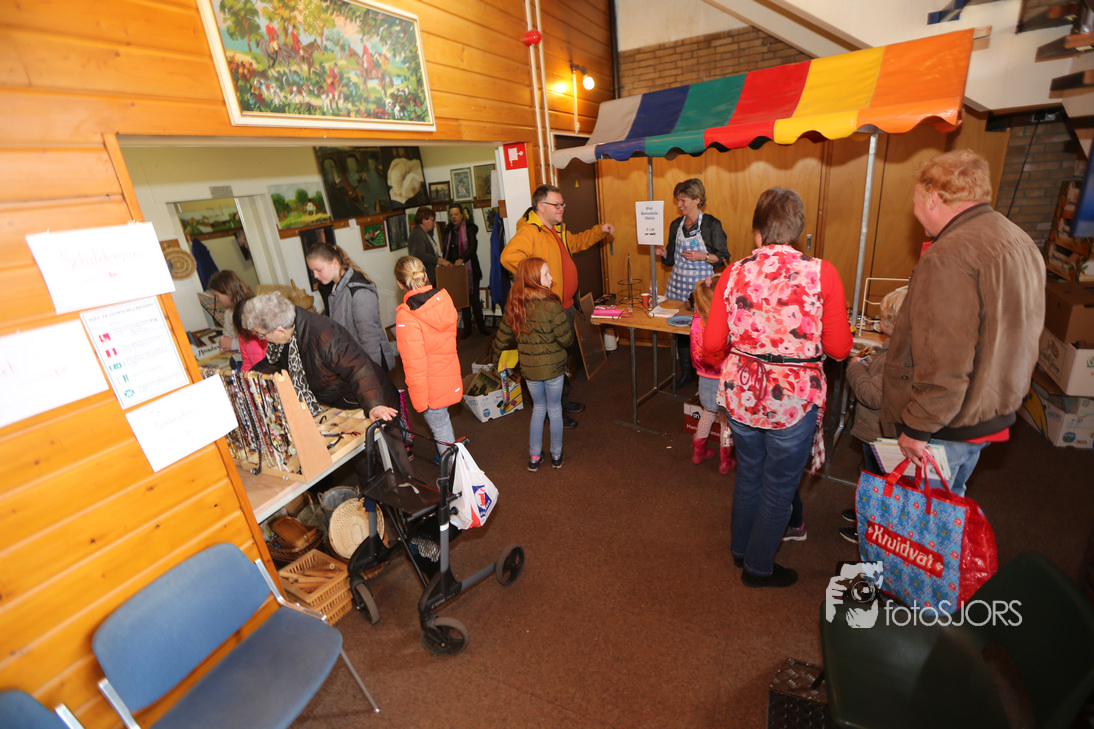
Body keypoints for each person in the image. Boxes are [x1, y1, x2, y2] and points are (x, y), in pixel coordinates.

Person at [704, 188, 852, 588]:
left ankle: (740, 550)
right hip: (793, 399)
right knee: (779, 487)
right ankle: (757, 568)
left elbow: (712, 344)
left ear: (757, 231)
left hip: (742, 393)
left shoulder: (733, 273)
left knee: (749, 475)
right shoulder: (822, 272)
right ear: (798, 230)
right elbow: (840, 349)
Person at [880, 149, 1045, 495]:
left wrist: (918, 427)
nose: (914, 210)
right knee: (948, 508)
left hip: (945, 423)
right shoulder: (1020, 240)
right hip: (988, 412)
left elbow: (945, 354)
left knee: (916, 520)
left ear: (932, 197)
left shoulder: (948, 255)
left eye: (915, 199)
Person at [240, 292, 409, 476]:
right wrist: (246, 377)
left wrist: (374, 404)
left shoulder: (322, 333)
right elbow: (274, 363)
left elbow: (359, 368)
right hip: (341, 405)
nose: (262, 339)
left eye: (262, 334)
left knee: (394, 463)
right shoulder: (287, 335)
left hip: (370, 396)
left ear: (280, 330)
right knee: (366, 467)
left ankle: (407, 490)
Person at [500, 185, 616, 427]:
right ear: (541, 207)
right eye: (557, 204)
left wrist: (600, 231)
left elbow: (577, 242)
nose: (562, 208)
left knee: (563, 358)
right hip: (549, 309)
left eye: (563, 204)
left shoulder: (556, 230)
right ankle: (553, 412)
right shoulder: (530, 231)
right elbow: (508, 257)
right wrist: (536, 281)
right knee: (552, 363)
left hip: (566, 305)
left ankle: (562, 401)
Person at [491, 257, 575, 472]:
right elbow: (566, 340)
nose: (551, 278)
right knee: (554, 409)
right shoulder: (552, 305)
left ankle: (534, 457)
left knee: (538, 409)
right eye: (546, 274)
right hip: (554, 369)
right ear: (533, 279)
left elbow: (501, 338)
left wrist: (496, 362)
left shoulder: (514, 305)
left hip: (529, 370)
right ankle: (556, 455)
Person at [839, 285, 908, 544]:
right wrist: (870, 364)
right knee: (874, 477)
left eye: (884, 317)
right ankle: (865, 514)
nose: (879, 320)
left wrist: (855, 367)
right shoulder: (896, 350)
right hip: (883, 430)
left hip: (880, 433)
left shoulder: (895, 356)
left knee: (879, 482)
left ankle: (870, 530)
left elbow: (871, 395)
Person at [655, 179, 730, 387]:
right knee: (681, 330)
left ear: (697, 200)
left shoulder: (711, 225)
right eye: (677, 200)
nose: (679, 205)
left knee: (702, 331)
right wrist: (664, 253)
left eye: (683, 200)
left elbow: (723, 258)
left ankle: (705, 375)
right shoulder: (676, 225)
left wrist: (702, 256)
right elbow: (671, 259)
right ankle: (686, 373)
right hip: (677, 286)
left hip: (701, 290)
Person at [393, 256, 461, 459]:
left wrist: (420, 402)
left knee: (441, 430)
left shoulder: (407, 316)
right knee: (444, 424)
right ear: (425, 275)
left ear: (400, 284)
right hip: (449, 376)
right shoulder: (444, 299)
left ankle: (454, 472)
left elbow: (414, 365)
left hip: (431, 387)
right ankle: (449, 460)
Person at [305, 241, 393, 371]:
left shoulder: (359, 292)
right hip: (353, 363)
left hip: (370, 367)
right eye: (312, 271)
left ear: (335, 263)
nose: (315, 275)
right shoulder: (332, 289)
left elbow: (370, 340)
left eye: (319, 270)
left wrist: (369, 374)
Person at [688, 276, 736, 474]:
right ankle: (725, 461)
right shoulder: (725, 323)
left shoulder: (696, 319)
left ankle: (699, 453)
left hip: (704, 376)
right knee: (725, 420)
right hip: (724, 379)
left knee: (707, 413)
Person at [442, 204, 489, 338]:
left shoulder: (469, 228)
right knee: (463, 300)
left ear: (462, 215)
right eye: (451, 215)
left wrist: (462, 258)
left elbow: (473, 247)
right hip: (456, 271)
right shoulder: (448, 231)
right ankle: (467, 329)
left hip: (470, 269)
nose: (454, 217)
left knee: (474, 300)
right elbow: (446, 250)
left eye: (456, 214)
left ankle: (481, 326)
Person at [208, 270, 266, 371]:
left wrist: (233, 344)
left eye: (217, 295)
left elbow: (257, 343)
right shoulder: (228, 313)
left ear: (227, 291)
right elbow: (227, 333)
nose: (217, 299)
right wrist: (226, 345)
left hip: (254, 361)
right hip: (240, 359)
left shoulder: (250, 310)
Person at [407, 206, 450, 287]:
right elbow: (419, 255)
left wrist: (441, 259)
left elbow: (432, 252)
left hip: (431, 275)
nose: (434, 222)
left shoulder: (425, 233)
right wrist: (439, 261)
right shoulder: (417, 234)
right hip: (424, 277)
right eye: (432, 220)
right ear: (424, 220)